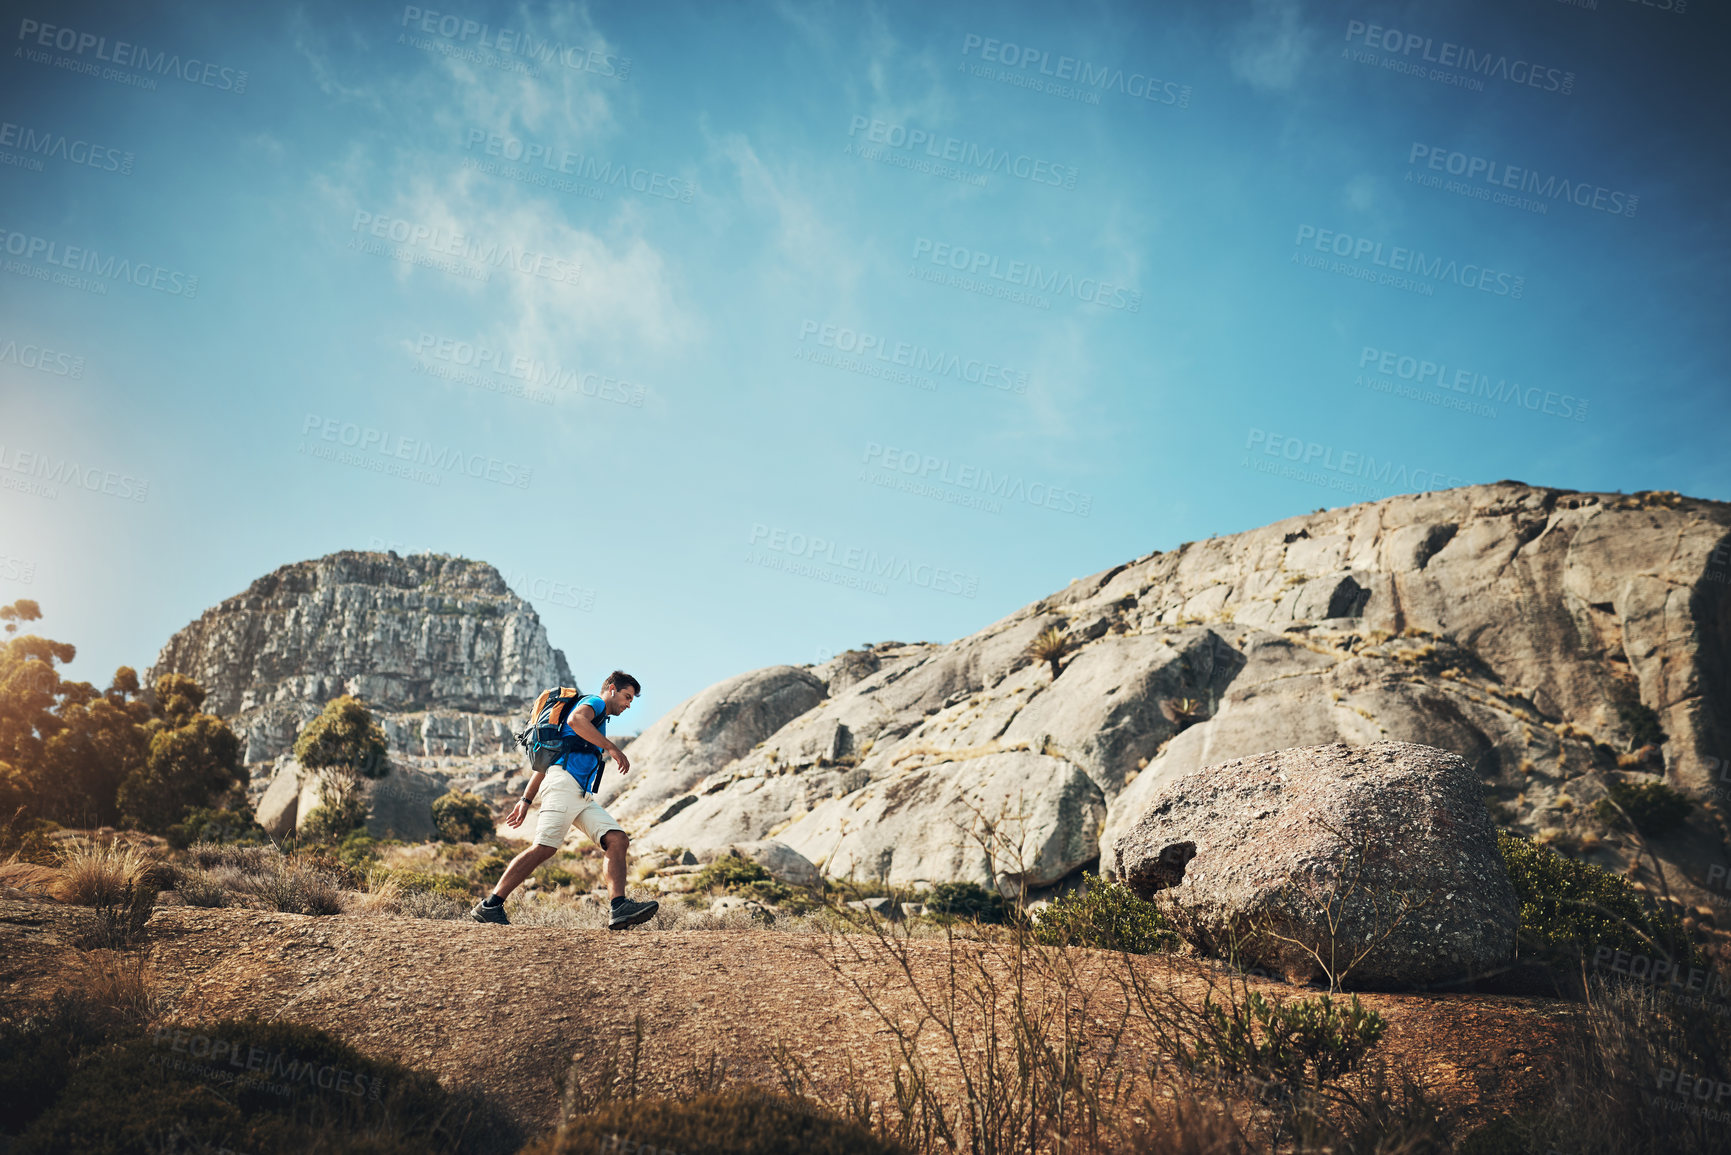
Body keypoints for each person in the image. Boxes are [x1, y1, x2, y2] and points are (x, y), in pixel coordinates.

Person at [470, 671, 660, 930]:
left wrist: (525, 800)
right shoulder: (595, 703)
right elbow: (575, 719)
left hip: (580, 794)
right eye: (627, 697)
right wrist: (611, 748)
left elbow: (548, 761)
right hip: (564, 786)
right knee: (544, 847)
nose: (628, 704)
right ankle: (491, 905)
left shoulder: (598, 719)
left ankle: (619, 908)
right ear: (612, 689)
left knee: (617, 839)